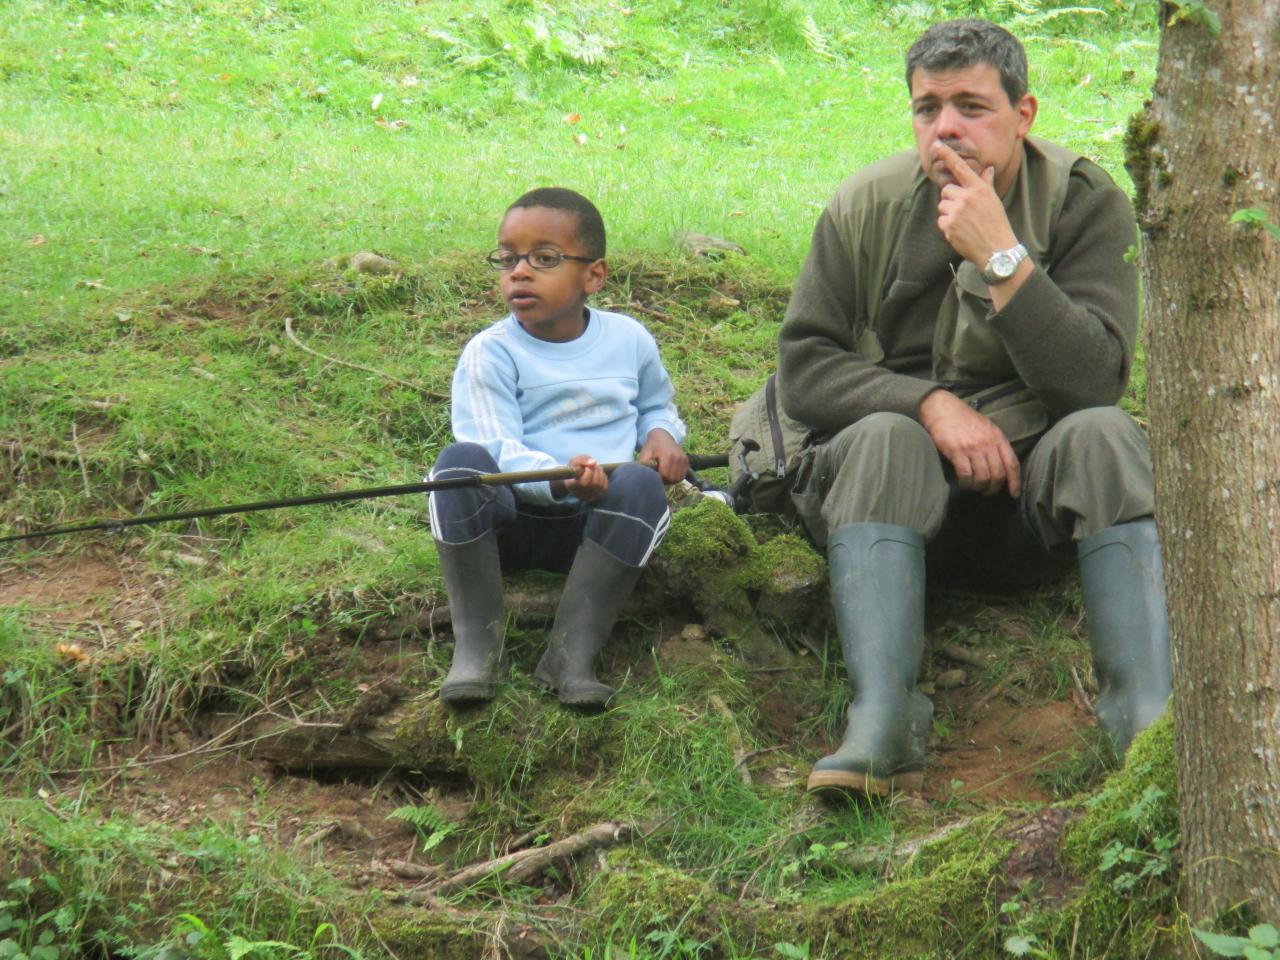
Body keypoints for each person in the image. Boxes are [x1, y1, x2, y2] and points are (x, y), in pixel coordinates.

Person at [772, 19, 1171, 796]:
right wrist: (929, 406)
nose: (946, 127)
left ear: (1023, 115)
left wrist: (1004, 258)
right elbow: (805, 370)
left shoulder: (1084, 204)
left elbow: (1094, 381)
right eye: (928, 108)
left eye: (971, 106)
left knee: (1105, 434)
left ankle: (1142, 716)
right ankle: (882, 717)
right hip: (886, 502)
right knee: (887, 434)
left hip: (1029, 504)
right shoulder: (865, 206)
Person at [427, 187, 688, 710]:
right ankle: (477, 648)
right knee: (458, 466)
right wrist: (552, 476)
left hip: (596, 528)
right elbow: (490, 443)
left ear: (593, 275)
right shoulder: (490, 352)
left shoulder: (629, 339)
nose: (519, 272)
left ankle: (570, 657)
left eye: (544, 259)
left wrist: (662, 435)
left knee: (638, 484)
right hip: (512, 524)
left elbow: (657, 406)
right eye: (507, 258)